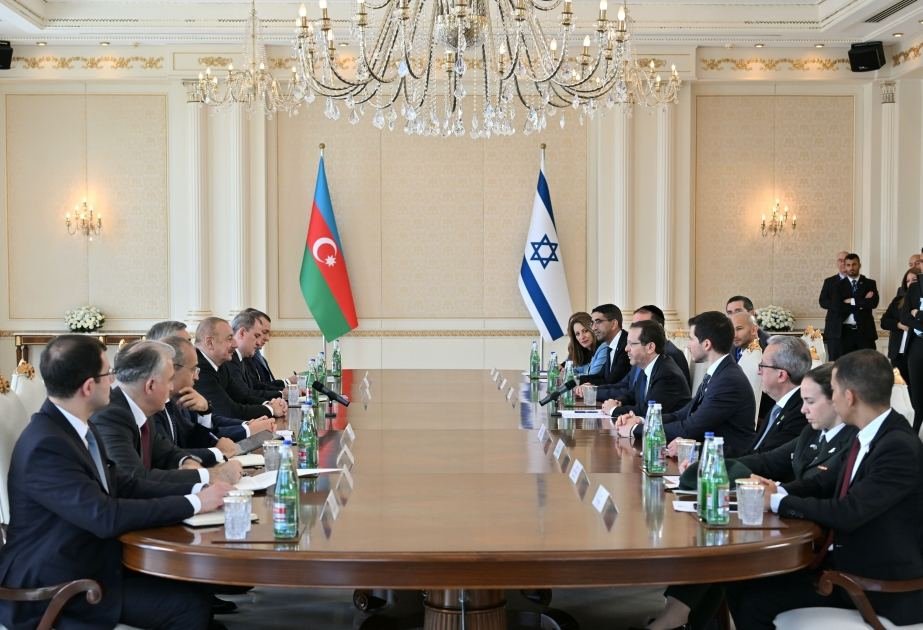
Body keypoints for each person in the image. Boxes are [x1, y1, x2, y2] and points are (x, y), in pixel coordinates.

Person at [0, 335, 230, 630]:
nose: (114, 380)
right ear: (88, 387)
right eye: (108, 374)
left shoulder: (74, 426)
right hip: (58, 585)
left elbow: (124, 483)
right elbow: (105, 516)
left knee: (194, 587)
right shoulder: (47, 445)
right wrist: (194, 504)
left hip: (88, 560)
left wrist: (199, 489)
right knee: (188, 607)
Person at [650, 364, 857, 630]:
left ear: (836, 400)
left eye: (810, 401)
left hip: (813, 538)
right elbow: (767, 460)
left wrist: (777, 490)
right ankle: (681, 620)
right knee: (717, 545)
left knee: (730, 561)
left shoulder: (852, 442)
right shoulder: (812, 432)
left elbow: (818, 486)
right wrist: (709, 461)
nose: (803, 409)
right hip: (787, 518)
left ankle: (675, 620)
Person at [728, 350, 923, 629]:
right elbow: (823, 482)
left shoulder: (897, 446)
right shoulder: (871, 433)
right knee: (739, 580)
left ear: (849, 397)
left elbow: (849, 512)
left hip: (876, 585)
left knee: (754, 602)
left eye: (834, 390)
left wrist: (778, 503)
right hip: (844, 566)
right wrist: (777, 490)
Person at [90, 340, 242, 485]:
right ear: (150, 386)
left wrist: (186, 461)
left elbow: (167, 453)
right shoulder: (110, 417)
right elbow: (134, 479)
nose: (171, 388)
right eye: (169, 380)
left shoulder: (142, 411)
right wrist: (211, 475)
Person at [616, 311, 756, 456]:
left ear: (706, 344)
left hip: (724, 460)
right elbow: (682, 414)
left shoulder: (727, 380)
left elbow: (690, 427)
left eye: (691, 339)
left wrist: (635, 429)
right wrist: (641, 421)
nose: (688, 345)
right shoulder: (719, 372)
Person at [153, 335, 241, 464]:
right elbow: (167, 456)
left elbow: (191, 440)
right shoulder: (153, 407)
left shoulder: (173, 402)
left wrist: (205, 411)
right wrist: (218, 452)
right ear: (172, 369)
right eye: (193, 369)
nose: (196, 377)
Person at [194, 316, 285, 424]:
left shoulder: (221, 365)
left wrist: (269, 404)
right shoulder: (199, 369)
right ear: (210, 342)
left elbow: (242, 397)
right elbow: (229, 411)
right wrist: (271, 409)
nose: (235, 344)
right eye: (229, 339)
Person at [600, 320, 690, 419]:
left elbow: (649, 410)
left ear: (650, 347)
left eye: (632, 344)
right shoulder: (647, 367)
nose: (626, 349)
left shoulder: (667, 374)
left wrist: (613, 410)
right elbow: (633, 395)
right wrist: (619, 402)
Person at [749, 336, 811, 453]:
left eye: (762, 366)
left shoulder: (800, 412)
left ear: (781, 375)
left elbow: (769, 457)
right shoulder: (780, 404)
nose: (758, 371)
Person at [223, 311, 285, 403]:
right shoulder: (229, 360)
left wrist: (282, 394)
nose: (259, 342)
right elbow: (244, 396)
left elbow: (255, 386)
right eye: (256, 336)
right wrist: (271, 406)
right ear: (242, 333)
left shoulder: (242, 358)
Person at [826, 253, 880, 357]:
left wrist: (851, 301)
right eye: (848, 265)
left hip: (864, 332)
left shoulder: (870, 283)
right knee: (843, 364)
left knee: (867, 363)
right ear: (845, 266)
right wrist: (863, 301)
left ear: (859, 265)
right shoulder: (837, 285)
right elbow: (838, 306)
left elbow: (873, 303)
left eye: (854, 264)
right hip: (843, 333)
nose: (851, 268)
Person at [634, 305, 691, 387]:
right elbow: (629, 385)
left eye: (641, 326)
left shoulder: (670, 355)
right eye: (634, 326)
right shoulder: (641, 351)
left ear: (659, 327)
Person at [577, 304, 630, 386]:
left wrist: (590, 389)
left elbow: (613, 383)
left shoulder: (627, 345)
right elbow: (601, 377)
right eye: (592, 323)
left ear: (614, 324)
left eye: (598, 322)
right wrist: (573, 381)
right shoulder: (611, 345)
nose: (593, 328)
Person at [881, 268, 917, 387]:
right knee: (900, 390)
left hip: (915, 354)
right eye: (908, 281)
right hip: (897, 354)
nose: (910, 283)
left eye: (914, 280)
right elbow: (884, 322)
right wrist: (899, 325)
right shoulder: (898, 301)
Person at [902, 270, 923, 434]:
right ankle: (914, 432)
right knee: (916, 393)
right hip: (917, 345)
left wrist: (918, 314)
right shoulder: (915, 287)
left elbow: (913, 315)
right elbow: (904, 316)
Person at [819, 250, 849, 360]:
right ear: (837, 263)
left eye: (845, 260)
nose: (843, 263)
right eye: (840, 260)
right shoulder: (829, 281)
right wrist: (840, 304)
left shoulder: (857, 281)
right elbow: (823, 301)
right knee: (834, 363)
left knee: (852, 364)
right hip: (834, 330)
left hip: (854, 331)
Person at [566, 311, 605, 376]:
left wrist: (571, 374)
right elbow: (567, 367)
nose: (582, 337)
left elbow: (592, 376)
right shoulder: (578, 349)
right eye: (577, 334)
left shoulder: (603, 348)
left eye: (585, 331)